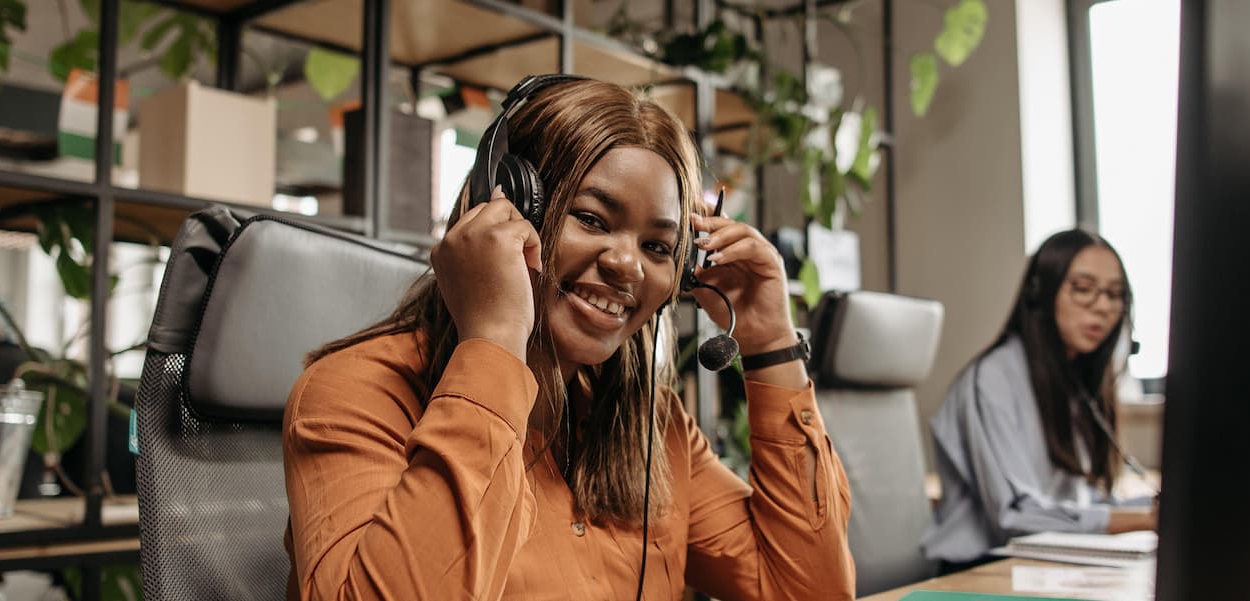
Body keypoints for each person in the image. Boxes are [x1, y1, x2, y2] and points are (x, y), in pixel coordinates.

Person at [282, 77, 854, 601]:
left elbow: (811, 592)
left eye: (658, 247)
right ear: (501, 207)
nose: (628, 265)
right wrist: (497, 341)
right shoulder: (355, 394)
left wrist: (772, 341)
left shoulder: (654, 425)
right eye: (593, 219)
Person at [920, 229, 1156, 569]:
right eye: (1084, 289)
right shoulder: (992, 379)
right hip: (984, 569)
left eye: (1114, 294)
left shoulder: (1072, 380)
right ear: (1040, 294)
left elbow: (1078, 502)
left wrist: (1153, 508)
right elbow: (1016, 514)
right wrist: (1143, 520)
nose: (1103, 306)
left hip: (1047, 565)